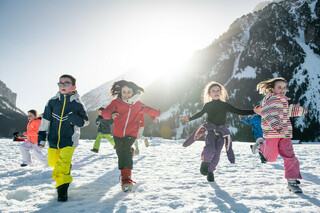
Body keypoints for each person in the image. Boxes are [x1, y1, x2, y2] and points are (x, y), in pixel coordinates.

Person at [181, 81, 259, 182]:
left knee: (216, 154)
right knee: (210, 148)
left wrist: (254, 111)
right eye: (213, 91)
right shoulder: (208, 105)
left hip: (222, 132)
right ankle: (205, 163)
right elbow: (200, 114)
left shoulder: (225, 105)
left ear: (221, 93)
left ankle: (210, 171)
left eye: (218, 90)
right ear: (209, 94)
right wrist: (189, 119)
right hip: (210, 130)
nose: (216, 92)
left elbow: (238, 111)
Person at [101, 80, 160, 192]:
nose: (126, 94)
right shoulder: (116, 103)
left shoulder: (138, 104)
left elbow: (148, 110)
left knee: (124, 152)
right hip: (118, 134)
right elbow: (105, 112)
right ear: (120, 92)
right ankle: (130, 152)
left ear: (133, 92)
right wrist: (111, 114)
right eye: (124, 92)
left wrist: (157, 113)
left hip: (131, 133)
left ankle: (126, 179)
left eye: (129, 91)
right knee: (120, 152)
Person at [38, 74, 89, 202]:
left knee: (62, 165)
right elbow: (45, 120)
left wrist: (74, 118)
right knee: (52, 162)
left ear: (73, 87)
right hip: (53, 140)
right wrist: (42, 137)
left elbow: (85, 122)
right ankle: (66, 167)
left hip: (69, 140)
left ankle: (62, 190)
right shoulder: (52, 102)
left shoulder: (78, 104)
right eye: (60, 83)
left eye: (66, 83)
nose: (62, 85)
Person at [255, 77, 307, 193]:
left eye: (284, 87)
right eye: (279, 87)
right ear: (273, 89)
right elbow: (266, 112)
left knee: (290, 156)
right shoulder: (272, 100)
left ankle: (292, 181)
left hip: (285, 133)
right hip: (272, 133)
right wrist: (276, 126)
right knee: (271, 158)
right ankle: (260, 145)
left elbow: (287, 111)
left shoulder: (283, 100)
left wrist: (301, 110)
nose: (282, 90)